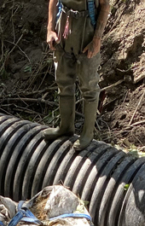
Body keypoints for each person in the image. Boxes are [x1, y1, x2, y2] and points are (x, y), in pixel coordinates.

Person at [44, 0, 110, 149]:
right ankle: (65, 127)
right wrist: (50, 29)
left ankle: (87, 134)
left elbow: (105, 6)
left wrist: (97, 39)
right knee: (63, 82)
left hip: (87, 34)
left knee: (89, 87)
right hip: (63, 30)